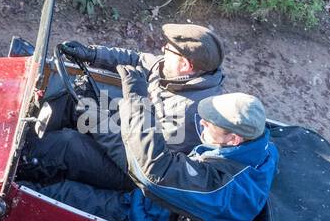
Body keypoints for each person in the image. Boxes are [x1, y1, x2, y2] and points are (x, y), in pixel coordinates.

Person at [33, 64, 278, 221]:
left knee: (58, 196)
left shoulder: (219, 187)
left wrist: (138, 100)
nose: (201, 123)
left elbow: (154, 171)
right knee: (71, 145)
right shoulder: (258, 147)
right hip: (160, 202)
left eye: (209, 124)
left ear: (234, 139)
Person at [17, 23, 226, 190]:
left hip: (131, 172)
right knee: (71, 99)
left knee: (68, 145)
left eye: (169, 49)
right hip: (129, 125)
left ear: (186, 65)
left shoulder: (189, 114)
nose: (163, 50)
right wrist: (92, 54)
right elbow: (137, 59)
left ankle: (19, 169)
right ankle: (24, 133)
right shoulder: (172, 70)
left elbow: (138, 158)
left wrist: (97, 119)